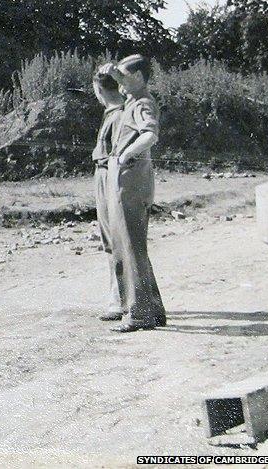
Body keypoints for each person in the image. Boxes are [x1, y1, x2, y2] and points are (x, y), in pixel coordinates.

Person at [98, 55, 166, 332]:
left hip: (131, 180)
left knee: (129, 247)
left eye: (124, 76)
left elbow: (150, 134)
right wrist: (115, 72)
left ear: (138, 77)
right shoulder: (131, 103)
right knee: (130, 246)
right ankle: (152, 310)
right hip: (125, 179)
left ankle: (138, 315)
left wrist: (127, 153)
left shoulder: (142, 103)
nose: (119, 82)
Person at [91, 64, 125, 323]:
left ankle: (120, 300)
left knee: (115, 242)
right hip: (104, 174)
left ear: (99, 89)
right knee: (112, 241)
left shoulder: (119, 115)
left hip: (110, 176)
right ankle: (122, 296)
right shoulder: (113, 112)